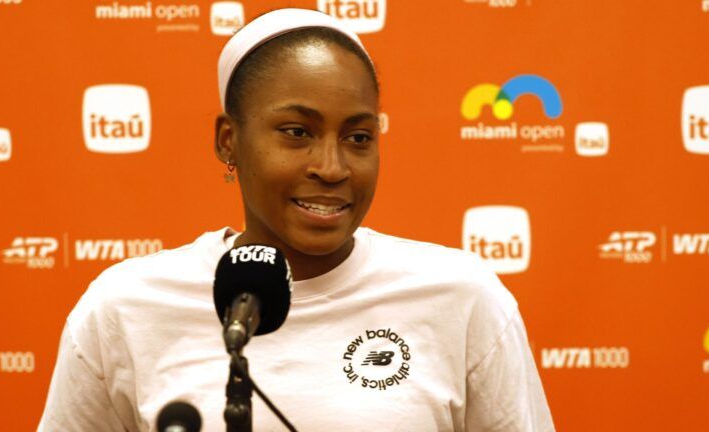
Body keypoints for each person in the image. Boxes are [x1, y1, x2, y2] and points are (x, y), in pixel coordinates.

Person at [38, 8, 554, 431]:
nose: (332, 168)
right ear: (228, 140)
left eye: (358, 138)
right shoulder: (126, 308)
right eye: (297, 132)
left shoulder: (461, 299)